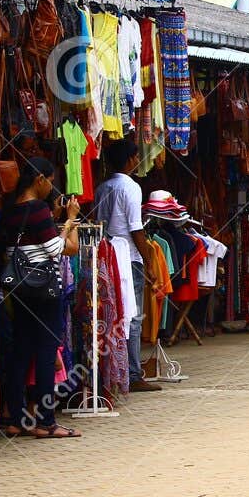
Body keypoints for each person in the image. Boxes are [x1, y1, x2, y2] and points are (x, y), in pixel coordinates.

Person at [0, 156, 81, 438]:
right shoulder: (38, 209)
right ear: (40, 180)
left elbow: (30, 244)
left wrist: (56, 220)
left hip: (19, 289)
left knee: (20, 352)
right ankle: (46, 420)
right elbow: (56, 249)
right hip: (43, 290)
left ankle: (17, 418)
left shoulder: (10, 209)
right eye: (50, 182)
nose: (51, 189)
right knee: (46, 352)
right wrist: (69, 221)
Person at [96, 138, 158, 392]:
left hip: (105, 256)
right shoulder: (131, 187)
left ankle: (114, 371)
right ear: (132, 159)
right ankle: (132, 373)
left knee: (111, 315)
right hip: (128, 257)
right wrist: (149, 260)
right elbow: (136, 229)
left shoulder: (102, 188)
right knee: (131, 316)